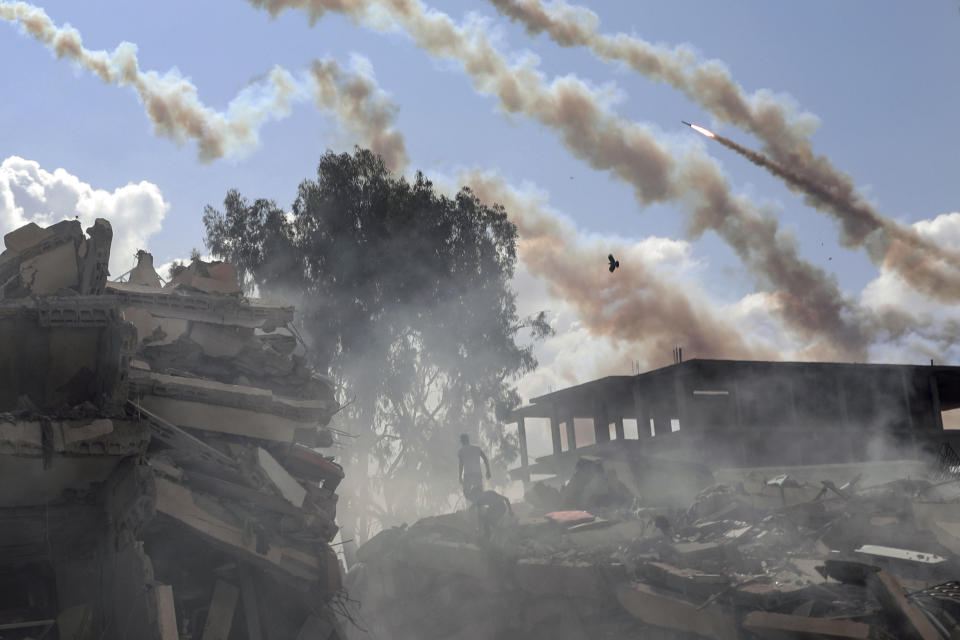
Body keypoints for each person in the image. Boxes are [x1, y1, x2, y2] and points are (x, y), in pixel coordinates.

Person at [458, 433, 490, 501]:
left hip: (468, 475)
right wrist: (488, 471)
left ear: (461, 441)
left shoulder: (461, 451)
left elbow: (461, 465)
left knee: (466, 493)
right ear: (468, 440)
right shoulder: (477, 448)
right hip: (477, 474)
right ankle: (479, 505)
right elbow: (485, 459)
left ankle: (474, 504)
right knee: (480, 493)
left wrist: (460, 477)